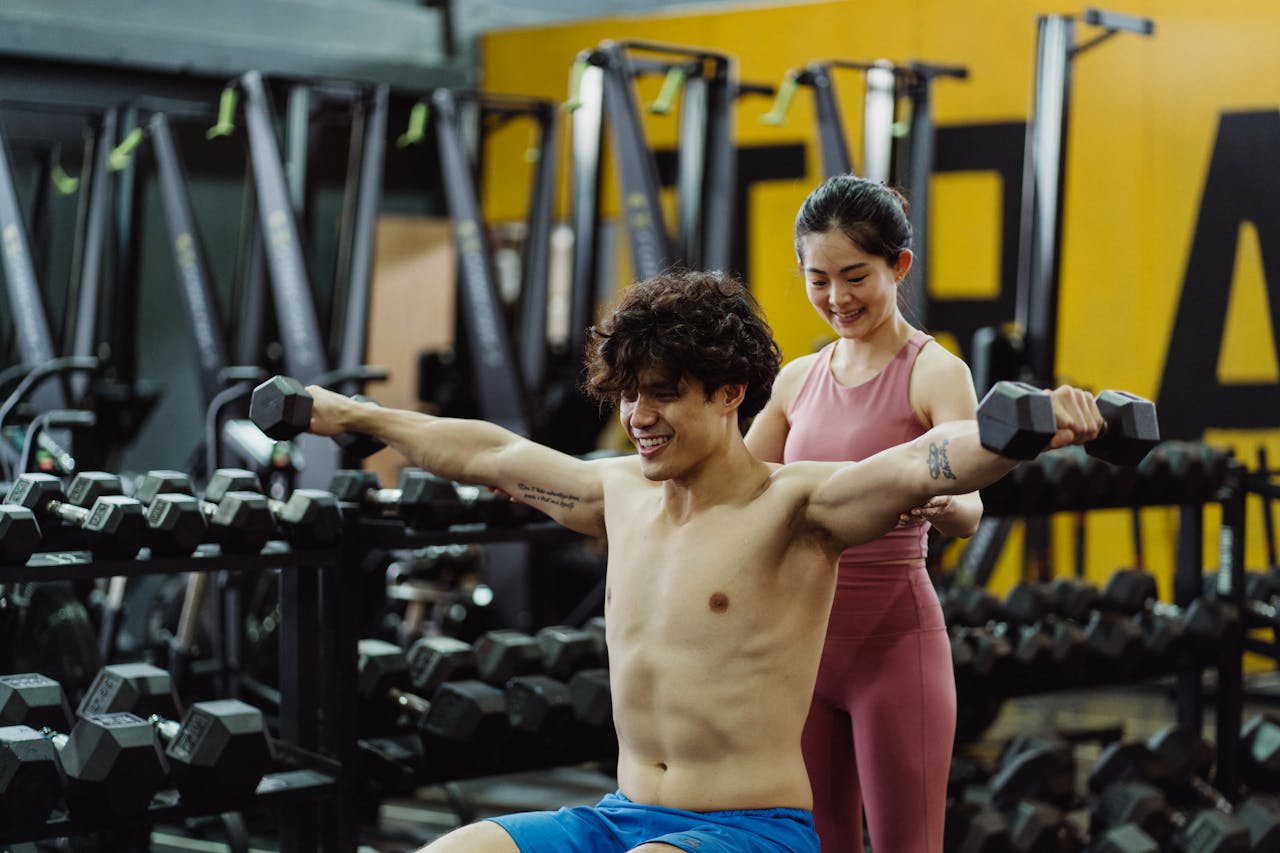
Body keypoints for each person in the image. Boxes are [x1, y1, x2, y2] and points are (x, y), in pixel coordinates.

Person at [302, 269, 1102, 853]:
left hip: (748, 831)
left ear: (728, 392)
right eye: (628, 395)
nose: (638, 417)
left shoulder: (796, 507)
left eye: (662, 394)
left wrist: (1014, 434)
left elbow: (924, 463)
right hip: (618, 817)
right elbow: (491, 452)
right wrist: (347, 414)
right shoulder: (615, 492)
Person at [744, 174, 980, 853]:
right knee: (819, 844)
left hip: (893, 645)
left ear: (897, 266)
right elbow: (736, 485)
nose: (837, 299)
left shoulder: (935, 372)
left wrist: (945, 500)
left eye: (856, 277)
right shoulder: (797, 381)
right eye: (818, 280)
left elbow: (971, 506)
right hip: (803, 648)